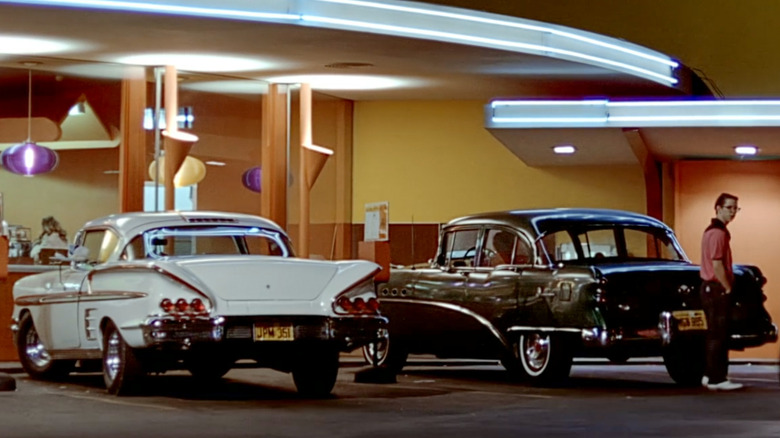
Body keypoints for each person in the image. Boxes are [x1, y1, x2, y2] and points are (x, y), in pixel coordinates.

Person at [699, 193, 742, 391]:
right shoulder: (718, 233)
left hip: (709, 288)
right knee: (719, 334)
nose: (733, 212)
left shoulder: (712, 231)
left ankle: (709, 374)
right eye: (729, 208)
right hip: (716, 288)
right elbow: (717, 265)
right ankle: (718, 377)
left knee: (713, 334)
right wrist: (728, 287)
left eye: (735, 208)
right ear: (718, 208)